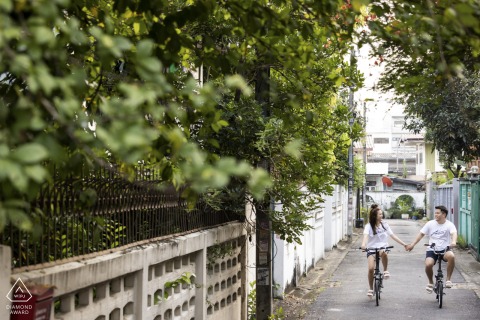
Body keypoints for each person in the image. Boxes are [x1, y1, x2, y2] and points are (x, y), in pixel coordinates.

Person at [406, 205, 457, 293]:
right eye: (435, 213)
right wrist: (413, 244)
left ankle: (448, 280)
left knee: (451, 256)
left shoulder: (449, 224)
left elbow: (454, 233)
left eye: (438, 213)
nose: (435, 215)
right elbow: (421, 234)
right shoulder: (430, 224)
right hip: (432, 249)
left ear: (444, 214)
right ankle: (430, 282)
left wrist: (454, 242)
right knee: (428, 264)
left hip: (445, 249)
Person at [361, 204, 408, 298]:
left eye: (382, 214)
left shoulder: (384, 225)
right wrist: (363, 245)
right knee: (371, 269)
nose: (381, 216)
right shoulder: (368, 226)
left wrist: (404, 244)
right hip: (371, 249)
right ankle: (371, 288)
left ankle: (385, 270)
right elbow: (365, 236)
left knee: (384, 253)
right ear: (374, 216)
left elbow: (392, 235)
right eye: (380, 214)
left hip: (382, 247)